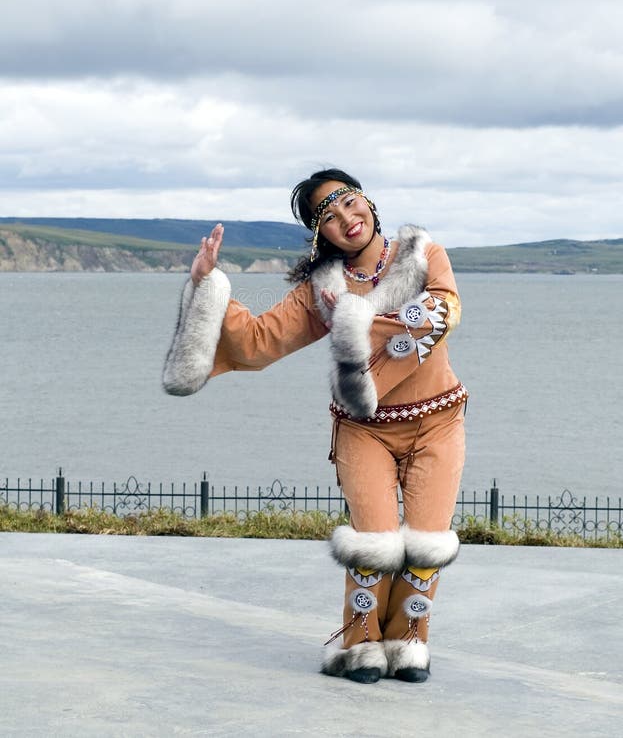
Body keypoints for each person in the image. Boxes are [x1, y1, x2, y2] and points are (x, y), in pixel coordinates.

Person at [163, 168, 467, 685]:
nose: (346, 219)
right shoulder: (320, 289)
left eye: (349, 203)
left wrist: (354, 318)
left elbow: (443, 312)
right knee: (372, 543)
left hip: (438, 420)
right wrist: (206, 285)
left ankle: (409, 640)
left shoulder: (422, 254)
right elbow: (258, 343)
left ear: (367, 202)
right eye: (327, 216)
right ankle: (361, 646)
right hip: (362, 428)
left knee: (427, 543)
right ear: (318, 234)